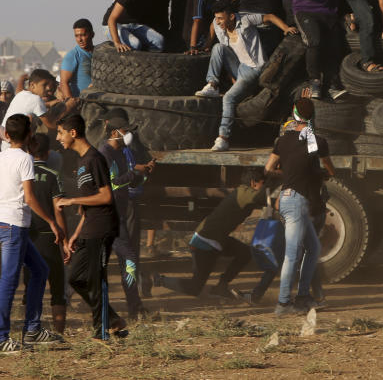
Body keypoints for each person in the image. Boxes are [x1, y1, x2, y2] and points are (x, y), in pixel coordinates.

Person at [153, 168, 275, 303]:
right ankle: (157, 280)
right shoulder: (245, 193)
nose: (263, 186)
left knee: (244, 253)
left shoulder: (244, 192)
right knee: (195, 288)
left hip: (217, 239)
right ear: (253, 183)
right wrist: (274, 179)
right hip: (205, 242)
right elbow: (261, 198)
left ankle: (221, 286)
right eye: (262, 183)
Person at [54, 114, 125, 340]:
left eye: (60, 133)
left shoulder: (94, 159)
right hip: (89, 227)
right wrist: (75, 234)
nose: (58, 138)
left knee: (96, 279)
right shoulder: (82, 161)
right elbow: (89, 203)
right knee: (76, 278)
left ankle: (101, 330)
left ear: (72, 133)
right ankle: (112, 318)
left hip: (102, 228)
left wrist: (71, 201)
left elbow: (105, 197)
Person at [0, 115, 64, 352]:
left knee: (40, 270)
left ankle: (33, 330)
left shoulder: (2, 157)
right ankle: (2, 337)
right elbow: (29, 198)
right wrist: (51, 222)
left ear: (6, 135)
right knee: (9, 280)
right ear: (29, 136)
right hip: (15, 224)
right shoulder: (26, 159)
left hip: (8, 223)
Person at [195, 3, 297, 151]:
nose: (217, 22)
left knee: (228, 98)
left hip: (254, 69)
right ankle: (212, 84)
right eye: (216, 18)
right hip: (239, 66)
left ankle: (223, 138)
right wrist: (207, 44)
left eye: (220, 19)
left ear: (231, 17)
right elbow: (212, 27)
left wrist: (286, 28)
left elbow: (270, 17)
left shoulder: (246, 20)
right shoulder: (217, 24)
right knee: (218, 48)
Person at [265, 99, 334, 315]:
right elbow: (329, 170)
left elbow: (268, 169)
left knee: (312, 249)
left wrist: (287, 174)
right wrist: (324, 174)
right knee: (292, 254)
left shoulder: (283, 140)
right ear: (313, 117)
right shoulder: (318, 141)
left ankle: (303, 296)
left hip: (289, 199)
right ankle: (283, 304)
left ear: (293, 115)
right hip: (298, 202)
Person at [97, 112, 150, 319]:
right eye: (125, 131)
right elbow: (112, 183)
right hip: (108, 216)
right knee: (128, 259)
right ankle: (133, 307)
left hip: (119, 212)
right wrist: (134, 175)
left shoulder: (121, 151)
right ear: (114, 133)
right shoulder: (106, 153)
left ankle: (134, 307)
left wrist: (142, 176)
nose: (128, 135)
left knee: (122, 261)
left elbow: (126, 182)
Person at [24, 133, 68, 334]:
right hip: (48, 235)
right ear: (48, 153)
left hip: (26, 234)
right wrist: (64, 240)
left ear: (28, 150)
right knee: (57, 283)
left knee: (31, 282)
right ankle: (59, 333)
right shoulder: (52, 175)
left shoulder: (23, 173)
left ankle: (31, 329)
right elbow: (58, 209)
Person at [1, 69, 65, 149]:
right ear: (32, 85)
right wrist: (67, 107)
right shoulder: (36, 99)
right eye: (44, 85)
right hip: (17, 146)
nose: (48, 88)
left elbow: (33, 106)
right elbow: (51, 125)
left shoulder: (21, 94)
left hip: (6, 145)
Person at [59, 19, 95, 100]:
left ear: (92, 34)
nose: (79, 39)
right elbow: (64, 82)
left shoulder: (99, 52)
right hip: (81, 102)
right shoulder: (72, 55)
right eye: (76, 36)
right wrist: (71, 103)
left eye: (83, 35)